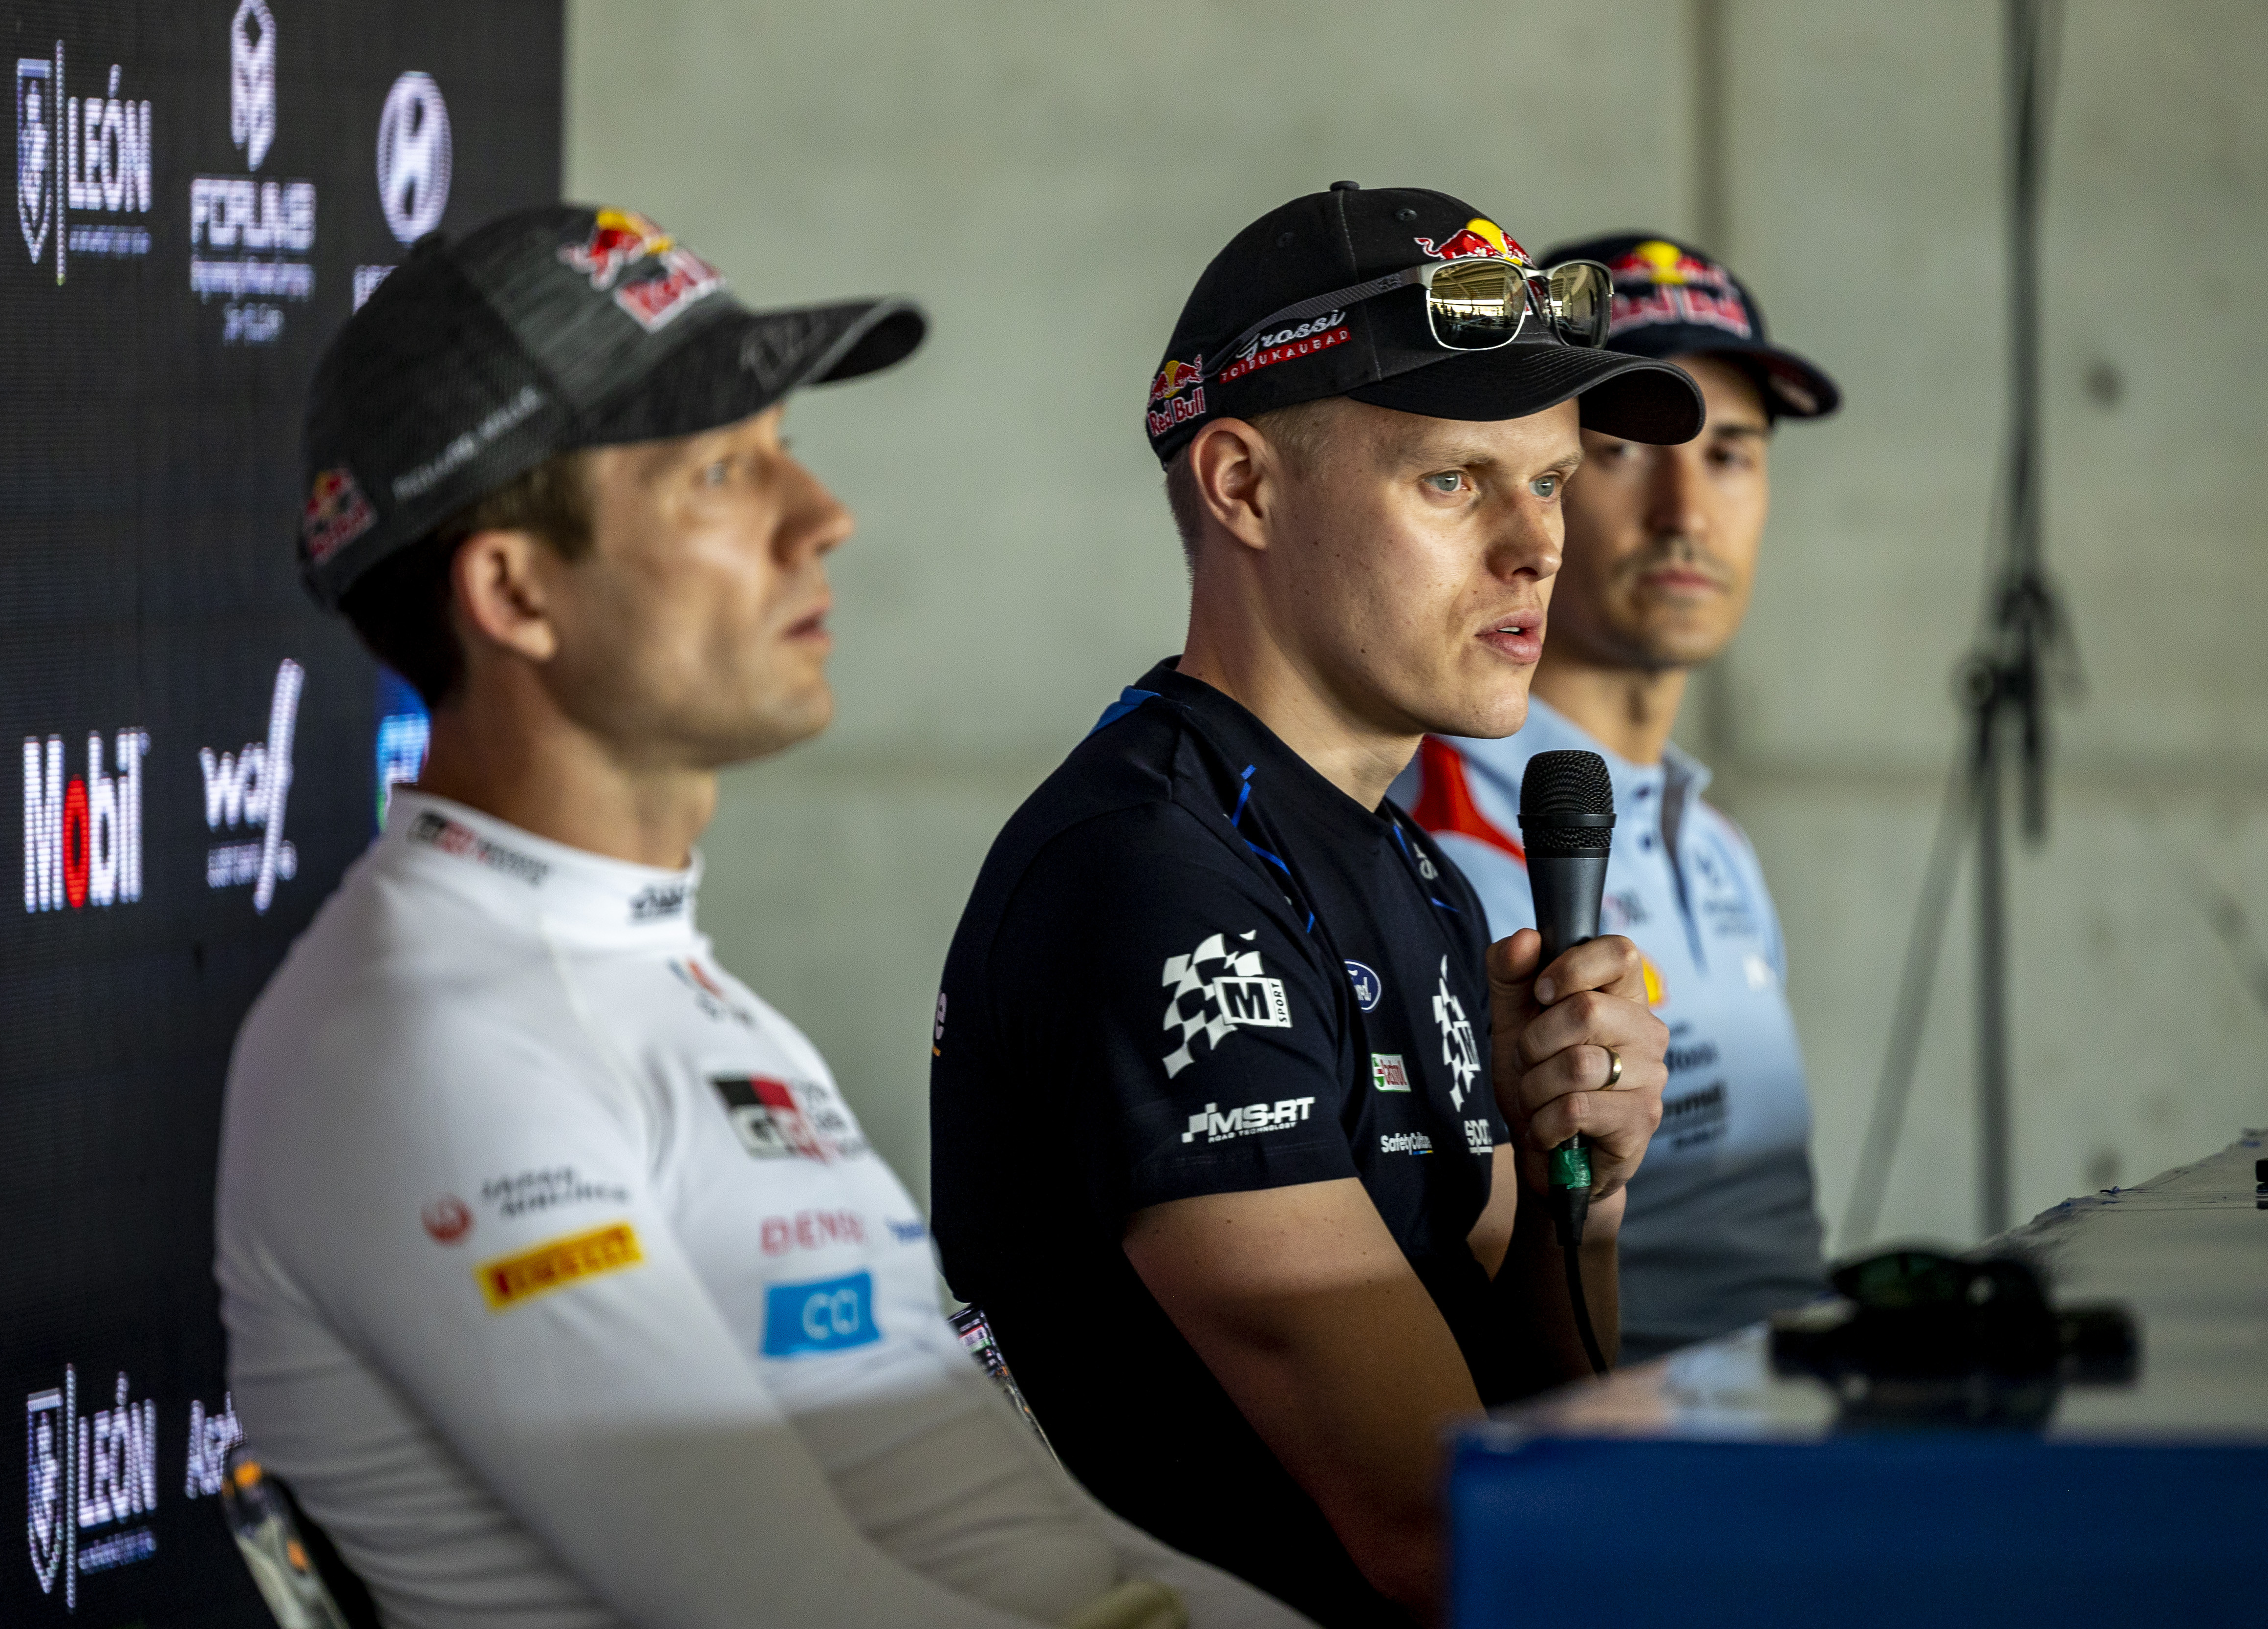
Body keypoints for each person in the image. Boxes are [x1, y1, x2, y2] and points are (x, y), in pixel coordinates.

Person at [216, 204, 1309, 1629]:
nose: (823, 515)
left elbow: (1042, 1535)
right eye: (723, 471)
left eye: (783, 445)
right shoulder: (427, 1040)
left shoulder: (655, 982)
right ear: (516, 591)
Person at [929, 183, 1703, 1628]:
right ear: (1243, 486)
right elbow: (1430, 1523)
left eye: (1549, 481)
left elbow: (1516, 1397)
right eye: (1454, 480)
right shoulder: (1155, 876)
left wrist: (1582, 1191)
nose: (1538, 546)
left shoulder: (1413, 871)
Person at [1391, 233, 1842, 1365]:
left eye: (1730, 453)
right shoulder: (1417, 829)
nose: (1685, 509)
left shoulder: (1716, 840)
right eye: (1626, 453)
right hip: (1609, 1437)